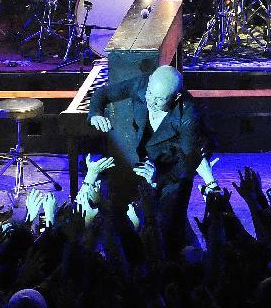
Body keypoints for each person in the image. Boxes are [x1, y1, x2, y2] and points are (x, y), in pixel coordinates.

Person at [87, 65, 216, 252]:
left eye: (159, 99)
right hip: (149, 162)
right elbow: (103, 93)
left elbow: (186, 166)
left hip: (174, 170)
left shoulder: (188, 117)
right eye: (149, 94)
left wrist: (158, 178)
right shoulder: (143, 84)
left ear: (176, 97)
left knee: (171, 223)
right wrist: (95, 114)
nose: (151, 102)